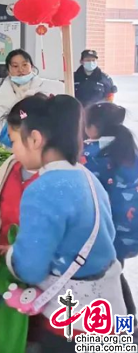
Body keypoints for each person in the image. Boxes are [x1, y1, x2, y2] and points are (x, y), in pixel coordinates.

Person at [5, 94, 125, 351]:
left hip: (71, 324)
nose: (12, 150)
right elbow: (107, 236)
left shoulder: (42, 189)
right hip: (110, 314)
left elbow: (30, 269)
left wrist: (9, 255)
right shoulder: (88, 178)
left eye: (14, 141)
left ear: (35, 139)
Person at [83, 103, 137, 316]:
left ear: (93, 127)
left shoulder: (90, 154)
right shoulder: (128, 149)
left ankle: (127, 323)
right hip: (131, 229)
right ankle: (129, 321)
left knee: (111, 280)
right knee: (116, 274)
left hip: (110, 232)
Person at [0, 49, 64, 147]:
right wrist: (17, 131)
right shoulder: (1, 96)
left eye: (24, 65)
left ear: (32, 67)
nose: (21, 70)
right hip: (16, 147)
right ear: (8, 71)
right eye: (15, 66)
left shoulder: (49, 86)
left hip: (46, 145)